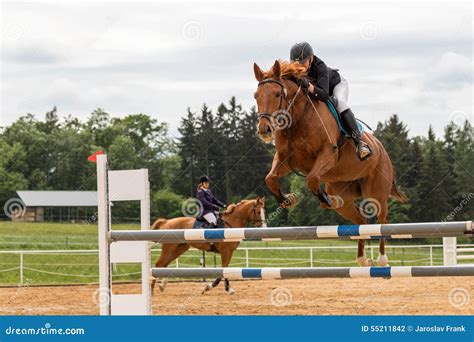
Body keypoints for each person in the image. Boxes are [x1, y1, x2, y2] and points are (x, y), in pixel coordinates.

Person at [289, 41, 373, 160]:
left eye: (303, 62)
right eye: (295, 63)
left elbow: (323, 95)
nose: (299, 66)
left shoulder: (320, 67)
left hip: (336, 86)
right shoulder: (291, 69)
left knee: (340, 103)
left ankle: (360, 143)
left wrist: (308, 86)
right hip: (319, 90)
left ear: (311, 58)